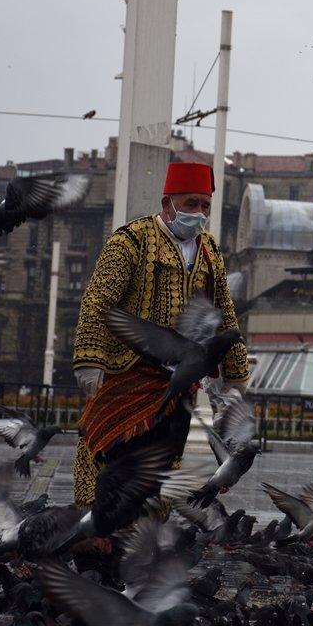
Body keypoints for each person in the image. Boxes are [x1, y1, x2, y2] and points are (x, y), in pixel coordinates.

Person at [71, 162, 249, 507]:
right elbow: (98, 299)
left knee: (164, 464)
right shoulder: (131, 240)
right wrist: (90, 359)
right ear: (168, 203)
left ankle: (145, 537)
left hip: (178, 382)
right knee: (105, 448)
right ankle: (93, 532)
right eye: (191, 204)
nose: (199, 213)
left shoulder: (210, 249)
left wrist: (235, 376)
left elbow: (225, 312)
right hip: (126, 372)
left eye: (205, 205)